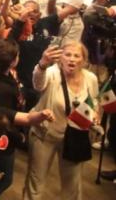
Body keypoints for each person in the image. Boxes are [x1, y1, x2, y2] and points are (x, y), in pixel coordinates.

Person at [23, 42, 99, 200]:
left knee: (72, 185)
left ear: (84, 60)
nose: (72, 59)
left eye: (77, 56)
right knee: (36, 183)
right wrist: (42, 65)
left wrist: (95, 114)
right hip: (44, 135)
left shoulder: (90, 78)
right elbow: (38, 84)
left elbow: (95, 101)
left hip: (75, 138)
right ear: (60, 58)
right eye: (67, 54)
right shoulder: (51, 73)